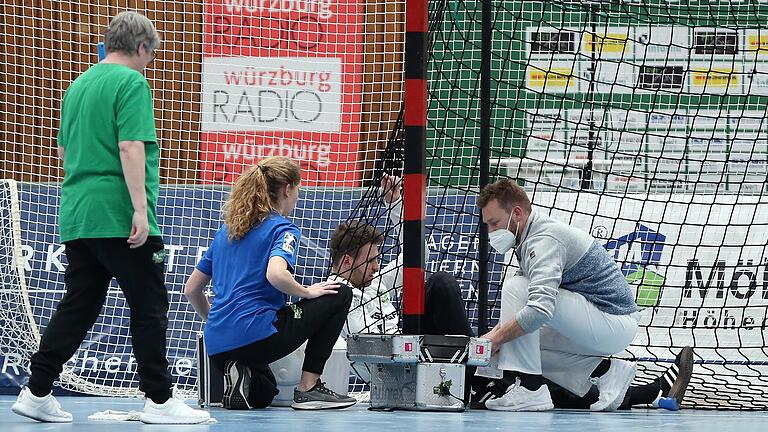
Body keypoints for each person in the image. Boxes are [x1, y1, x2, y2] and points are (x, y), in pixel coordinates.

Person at [11, 11, 210, 424]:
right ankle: (159, 400)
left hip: (78, 213)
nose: (149, 62)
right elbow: (131, 146)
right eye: (150, 55)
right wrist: (139, 208)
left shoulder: (78, 85)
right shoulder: (132, 82)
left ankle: (37, 389)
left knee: (80, 305)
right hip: (118, 213)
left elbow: (63, 153)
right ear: (141, 47)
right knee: (149, 304)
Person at [184, 157, 357, 411]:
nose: (298, 196)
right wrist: (307, 291)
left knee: (263, 392)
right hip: (257, 337)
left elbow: (191, 289)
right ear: (287, 189)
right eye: (298, 189)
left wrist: (214, 322)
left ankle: (238, 371)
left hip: (218, 348)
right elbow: (276, 275)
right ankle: (309, 388)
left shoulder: (227, 231)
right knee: (340, 293)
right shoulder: (283, 229)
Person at [476, 178, 641, 411]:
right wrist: (494, 337)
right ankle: (607, 372)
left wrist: (498, 337)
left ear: (517, 213)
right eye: (488, 226)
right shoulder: (529, 238)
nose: (491, 232)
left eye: (494, 223)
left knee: (516, 289)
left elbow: (540, 309)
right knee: (521, 342)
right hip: (601, 324)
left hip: (613, 321)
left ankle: (531, 390)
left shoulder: (543, 240)